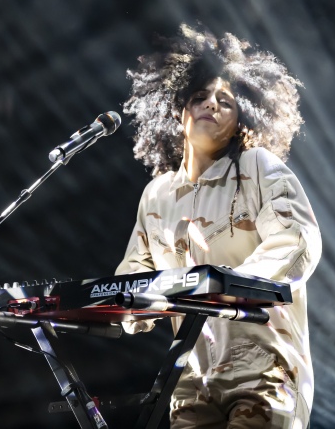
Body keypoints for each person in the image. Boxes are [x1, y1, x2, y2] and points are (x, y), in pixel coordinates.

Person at [116, 24, 322, 429]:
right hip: (192, 376)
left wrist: (229, 286)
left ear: (239, 121)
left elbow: (297, 242)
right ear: (179, 112)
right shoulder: (156, 195)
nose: (211, 104)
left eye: (225, 101)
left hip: (266, 369)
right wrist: (128, 306)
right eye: (200, 97)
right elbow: (135, 268)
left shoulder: (256, 167)